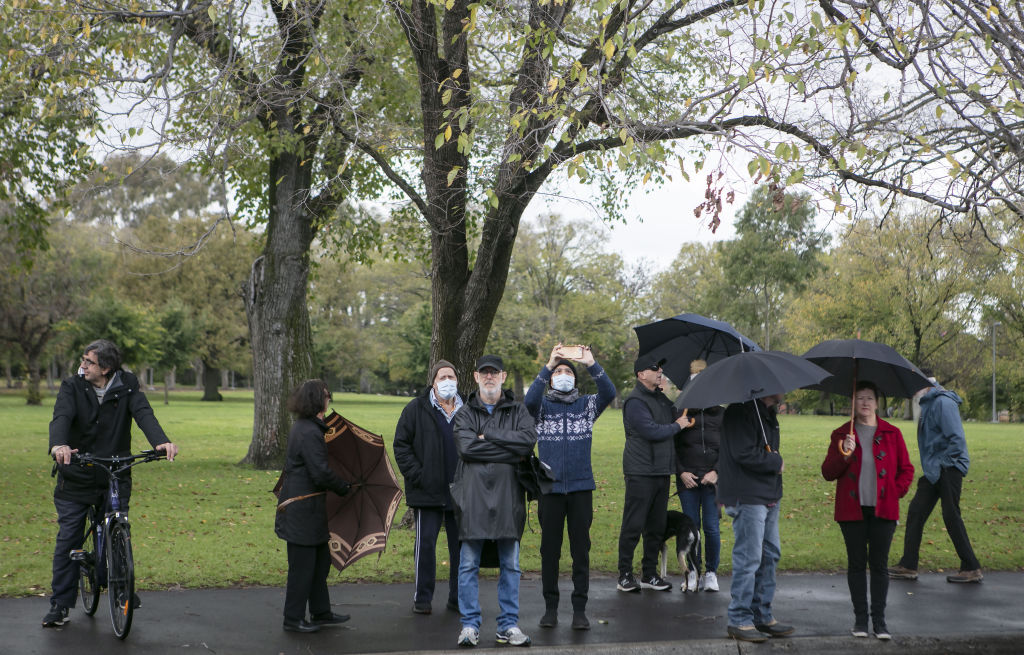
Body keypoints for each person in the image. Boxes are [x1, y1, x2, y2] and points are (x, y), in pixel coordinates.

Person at [44, 339, 179, 628]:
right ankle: (60, 605)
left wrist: (161, 441)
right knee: (69, 538)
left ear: (105, 368)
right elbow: (62, 417)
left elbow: (143, 413)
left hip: (114, 472)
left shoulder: (128, 384)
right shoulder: (72, 386)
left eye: (89, 362)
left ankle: (121, 587)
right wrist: (59, 446)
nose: (82, 365)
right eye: (83, 360)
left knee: (118, 528)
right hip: (77, 473)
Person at [524, 344, 616, 630]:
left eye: (568, 372)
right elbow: (528, 402)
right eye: (559, 372)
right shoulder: (542, 407)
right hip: (550, 490)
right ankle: (550, 608)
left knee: (581, 551)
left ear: (575, 379)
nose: (564, 375)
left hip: (580, 489)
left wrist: (590, 363)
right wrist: (549, 364)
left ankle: (579, 609)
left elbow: (609, 393)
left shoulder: (587, 406)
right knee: (549, 551)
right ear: (552, 378)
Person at [451, 355, 537, 648]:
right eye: (484, 373)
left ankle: (508, 625)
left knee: (511, 565)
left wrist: (488, 435)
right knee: (468, 564)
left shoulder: (519, 410)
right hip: (473, 499)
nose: (489, 377)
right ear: (476, 377)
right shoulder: (464, 414)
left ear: (503, 376)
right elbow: (466, 448)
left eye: (495, 373)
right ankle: (469, 625)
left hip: (509, 498)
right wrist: (509, 449)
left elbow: (527, 442)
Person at [821, 381, 914, 640]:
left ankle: (880, 622)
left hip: (884, 510)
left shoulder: (892, 433)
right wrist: (845, 455)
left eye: (869, 398)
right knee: (856, 565)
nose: (864, 402)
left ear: (876, 402)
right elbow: (828, 472)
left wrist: (896, 491)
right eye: (859, 398)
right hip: (852, 511)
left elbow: (907, 470)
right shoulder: (841, 435)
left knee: (880, 566)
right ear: (853, 403)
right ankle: (860, 620)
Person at [889, 370, 982, 583]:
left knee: (951, 516)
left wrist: (943, 466)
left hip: (948, 468)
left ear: (925, 383)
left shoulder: (942, 403)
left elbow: (956, 441)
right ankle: (908, 565)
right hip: (935, 471)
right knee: (916, 511)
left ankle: (971, 567)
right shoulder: (927, 403)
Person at [275, 379, 352, 633]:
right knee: (302, 568)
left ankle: (321, 612)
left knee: (319, 564)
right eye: (327, 395)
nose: (330, 399)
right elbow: (319, 473)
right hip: (301, 511)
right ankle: (292, 619)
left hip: (311, 510)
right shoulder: (308, 431)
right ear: (317, 399)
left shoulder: (310, 428)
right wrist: (344, 487)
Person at [718, 393, 794, 643]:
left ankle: (761, 614)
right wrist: (776, 461)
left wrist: (773, 461)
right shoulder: (740, 412)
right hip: (748, 495)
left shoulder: (767, 414)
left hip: (768, 493)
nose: (783, 388)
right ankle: (739, 618)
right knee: (749, 558)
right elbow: (744, 454)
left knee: (770, 553)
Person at [617, 354, 692, 593]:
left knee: (656, 527)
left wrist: (687, 394)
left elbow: (675, 415)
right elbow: (651, 431)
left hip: (661, 471)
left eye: (660, 368)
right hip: (640, 472)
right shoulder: (635, 401)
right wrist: (678, 425)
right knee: (633, 525)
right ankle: (625, 575)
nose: (660, 371)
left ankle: (649, 574)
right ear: (641, 374)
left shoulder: (660, 398)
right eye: (654, 368)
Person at [393, 359, 464, 615]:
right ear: (433, 382)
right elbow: (401, 445)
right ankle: (422, 599)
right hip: (428, 491)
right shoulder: (416, 409)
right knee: (425, 547)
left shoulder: (468, 409)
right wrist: (418, 475)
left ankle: (458, 599)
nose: (448, 382)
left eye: (451, 377)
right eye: (442, 377)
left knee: (462, 550)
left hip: (462, 492)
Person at [672, 359, 722, 593]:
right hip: (688, 481)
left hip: (712, 481)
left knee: (711, 527)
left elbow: (729, 449)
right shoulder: (680, 411)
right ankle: (692, 571)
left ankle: (711, 572)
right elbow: (670, 446)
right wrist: (681, 471)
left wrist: (717, 471)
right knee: (691, 528)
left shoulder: (721, 415)